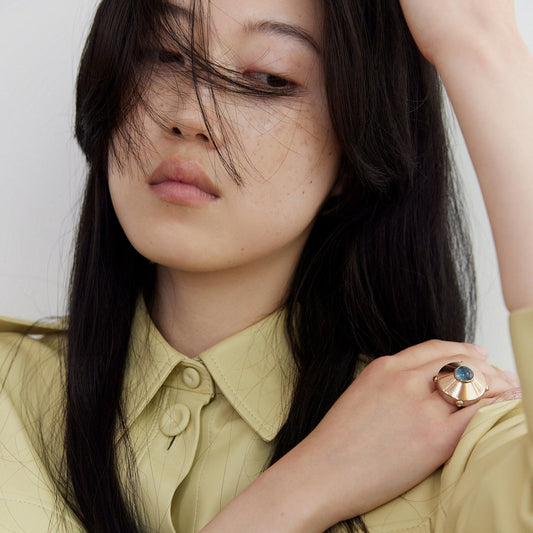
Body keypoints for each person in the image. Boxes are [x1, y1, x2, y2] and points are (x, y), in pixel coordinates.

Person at [0, 0, 531, 531]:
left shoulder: (447, 445)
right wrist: (311, 484)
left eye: (271, 79)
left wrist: (481, 47)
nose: (189, 117)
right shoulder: (10, 394)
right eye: (161, 54)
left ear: (354, 144)